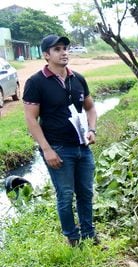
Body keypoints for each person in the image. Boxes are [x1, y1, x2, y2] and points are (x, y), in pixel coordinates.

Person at [23, 34, 98, 246]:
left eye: (65, 48)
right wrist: (46, 150)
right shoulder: (36, 82)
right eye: (57, 49)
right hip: (57, 147)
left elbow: (90, 108)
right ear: (46, 55)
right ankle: (72, 239)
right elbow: (31, 118)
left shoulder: (78, 79)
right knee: (65, 195)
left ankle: (89, 235)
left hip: (82, 147)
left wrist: (92, 129)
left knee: (85, 192)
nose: (63, 52)